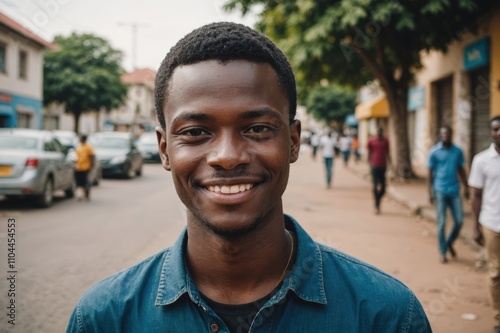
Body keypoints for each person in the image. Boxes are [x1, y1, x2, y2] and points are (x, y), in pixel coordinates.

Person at [66, 22, 431, 333]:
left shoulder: (387, 317)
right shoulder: (104, 318)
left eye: (257, 128)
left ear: (293, 141)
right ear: (164, 149)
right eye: (195, 132)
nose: (226, 157)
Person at [468, 116, 500, 333]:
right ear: (490, 132)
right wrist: (475, 226)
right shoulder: (481, 160)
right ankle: (499, 317)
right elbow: (476, 196)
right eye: (496, 129)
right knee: (496, 272)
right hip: (492, 223)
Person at [427, 126, 469, 264]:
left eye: (448, 133)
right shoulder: (434, 152)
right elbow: (429, 173)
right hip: (439, 190)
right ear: (440, 135)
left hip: (455, 190)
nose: (446, 135)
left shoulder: (457, 151)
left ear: (451, 135)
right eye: (443, 133)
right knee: (442, 222)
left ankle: (449, 242)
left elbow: (461, 169)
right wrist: (430, 192)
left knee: (459, 220)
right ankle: (443, 251)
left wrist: (466, 187)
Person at [367, 127, 391, 214]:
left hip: (383, 166)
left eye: (381, 131)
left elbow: (388, 152)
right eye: (378, 131)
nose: (379, 133)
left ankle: (378, 199)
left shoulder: (385, 141)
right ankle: (376, 205)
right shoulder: (372, 141)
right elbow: (369, 152)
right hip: (374, 166)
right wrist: (369, 163)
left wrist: (390, 164)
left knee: (383, 187)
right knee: (374, 186)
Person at [74, 134, 94, 201]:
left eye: (81, 138)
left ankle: (87, 194)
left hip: (86, 167)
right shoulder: (78, 147)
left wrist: (91, 166)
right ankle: (80, 195)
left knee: (86, 182)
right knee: (79, 182)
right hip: (78, 167)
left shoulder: (88, 147)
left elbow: (92, 157)